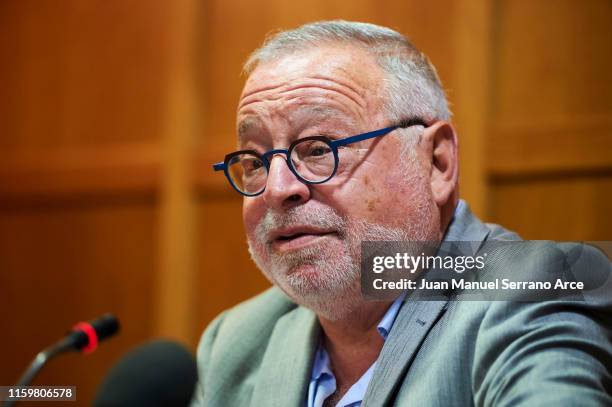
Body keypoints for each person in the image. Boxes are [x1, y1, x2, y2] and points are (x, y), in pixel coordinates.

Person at [193, 21, 612, 406]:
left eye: (320, 149)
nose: (279, 188)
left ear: (436, 163)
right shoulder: (236, 341)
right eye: (254, 162)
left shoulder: (532, 291)